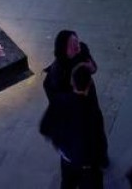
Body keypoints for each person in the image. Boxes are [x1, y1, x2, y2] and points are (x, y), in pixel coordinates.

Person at [43, 30, 109, 167]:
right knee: (83, 141)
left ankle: (101, 157)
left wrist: (91, 68)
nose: (76, 46)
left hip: (91, 106)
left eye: (76, 41)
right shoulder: (57, 73)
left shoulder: (82, 50)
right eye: (71, 45)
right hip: (75, 115)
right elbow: (55, 100)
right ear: (63, 49)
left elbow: (93, 67)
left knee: (98, 133)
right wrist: (75, 95)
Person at [41, 63, 108, 189]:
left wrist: (60, 143)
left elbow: (44, 128)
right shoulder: (92, 113)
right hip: (87, 165)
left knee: (67, 183)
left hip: (67, 158)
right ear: (89, 85)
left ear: (72, 82)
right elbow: (99, 140)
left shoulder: (59, 102)